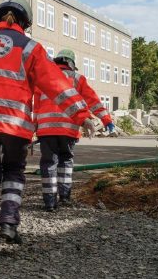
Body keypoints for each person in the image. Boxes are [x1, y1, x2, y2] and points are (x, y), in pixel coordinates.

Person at [0, 0, 96, 255]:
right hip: (13, 123)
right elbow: (56, 85)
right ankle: (9, 224)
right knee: (13, 172)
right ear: (25, 22)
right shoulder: (29, 47)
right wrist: (82, 115)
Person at [34, 49, 114, 211]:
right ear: (71, 64)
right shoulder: (77, 79)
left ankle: (49, 202)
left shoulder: (44, 78)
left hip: (46, 129)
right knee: (66, 162)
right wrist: (107, 120)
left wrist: (36, 125)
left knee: (49, 163)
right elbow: (93, 101)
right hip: (69, 129)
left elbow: (36, 106)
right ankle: (64, 197)